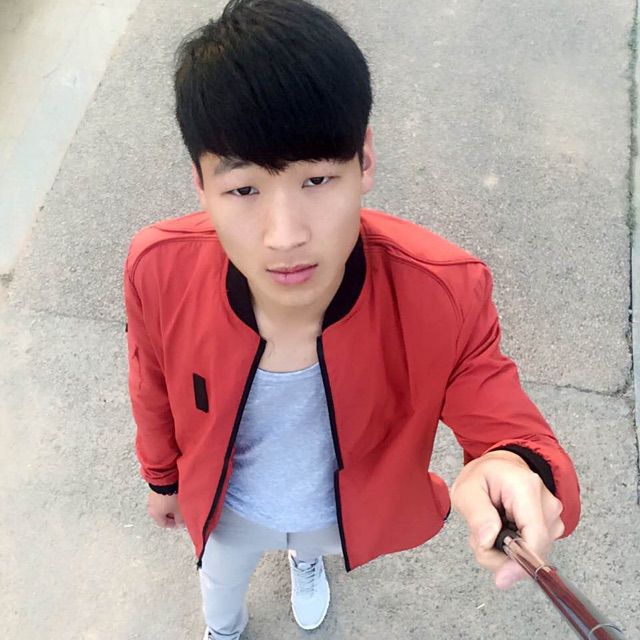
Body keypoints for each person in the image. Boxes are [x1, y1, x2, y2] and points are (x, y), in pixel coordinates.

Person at [123, 1, 581, 638]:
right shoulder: (158, 268)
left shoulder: (443, 291)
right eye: (244, 189)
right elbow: (149, 383)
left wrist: (518, 469)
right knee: (219, 583)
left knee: (308, 543)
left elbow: (504, 419)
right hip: (226, 509)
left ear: (363, 160)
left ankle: (304, 560)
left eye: (316, 179)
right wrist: (162, 478)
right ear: (200, 185)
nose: (285, 236)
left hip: (332, 517)